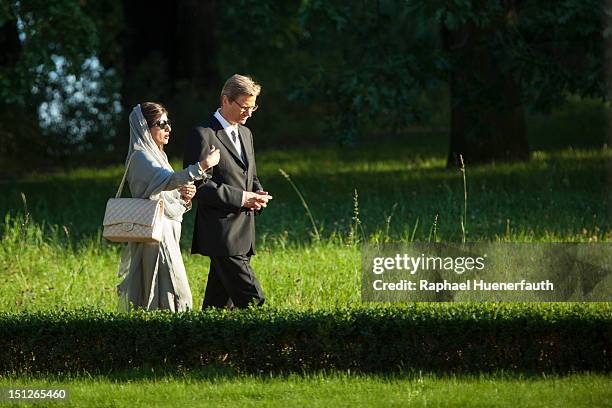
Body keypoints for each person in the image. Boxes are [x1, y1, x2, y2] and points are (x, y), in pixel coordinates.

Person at [116, 102, 220, 312]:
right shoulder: (141, 156)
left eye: (168, 123)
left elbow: (166, 189)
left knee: (160, 293)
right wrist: (203, 166)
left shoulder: (157, 156)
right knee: (175, 292)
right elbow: (169, 181)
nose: (168, 129)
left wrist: (184, 196)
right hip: (156, 235)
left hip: (166, 233)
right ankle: (177, 339)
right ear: (145, 127)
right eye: (161, 124)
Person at [183, 74, 272, 309]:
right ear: (225, 100)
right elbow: (200, 186)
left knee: (218, 308)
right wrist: (244, 198)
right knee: (254, 300)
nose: (249, 113)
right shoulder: (202, 134)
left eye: (253, 107)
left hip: (244, 232)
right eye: (244, 106)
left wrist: (258, 194)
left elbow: (250, 176)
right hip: (220, 234)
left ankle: (203, 345)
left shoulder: (246, 134)